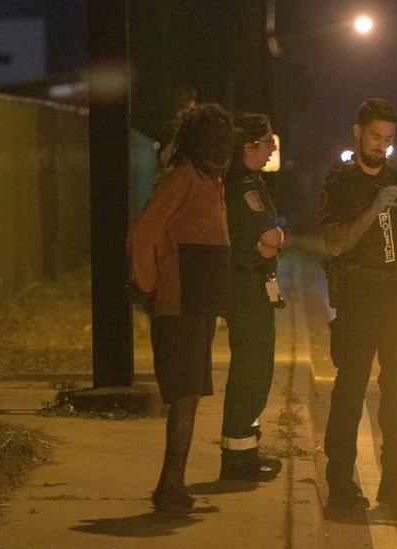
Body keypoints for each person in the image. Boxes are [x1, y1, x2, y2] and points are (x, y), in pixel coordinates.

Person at [319, 99, 397, 513]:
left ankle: (396, 479)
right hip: (359, 297)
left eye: (389, 139)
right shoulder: (341, 182)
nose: (382, 146)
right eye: (376, 137)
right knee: (350, 389)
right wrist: (374, 210)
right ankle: (340, 482)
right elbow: (336, 242)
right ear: (358, 132)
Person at [128, 103, 233, 512]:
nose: (221, 146)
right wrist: (150, 285)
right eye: (214, 138)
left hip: (198, 307)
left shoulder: (211, 179)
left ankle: (172, 485)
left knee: (190, 396)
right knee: (185, 396)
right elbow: (143, 231)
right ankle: (169, 487)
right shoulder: (183, 176)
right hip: (178, 306)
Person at [219, 113, 286, 481]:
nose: (272, 148)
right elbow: (270, 236)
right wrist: (270, 242)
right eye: (267, 142)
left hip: (249, 284)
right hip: (246, 287)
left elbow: (272, 237)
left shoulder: (248, 181)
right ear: (248, 147)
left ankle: (245, 452)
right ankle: (238, 461)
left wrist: (272, 241)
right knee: (252, 369)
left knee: (255, 368)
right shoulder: (242, 186)